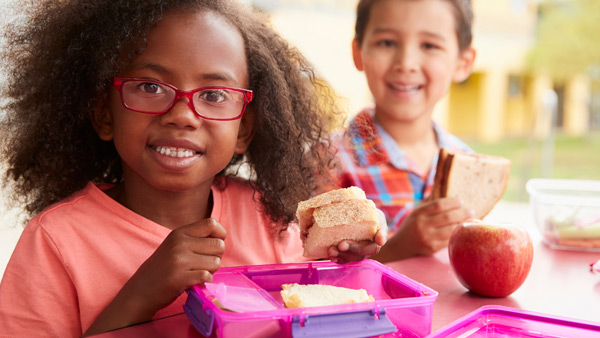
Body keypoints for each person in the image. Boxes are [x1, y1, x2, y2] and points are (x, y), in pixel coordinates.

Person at [0, 0, 386, 336]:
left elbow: (314, 316)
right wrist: (141, 297)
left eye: (214, 95)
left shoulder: (264, 217)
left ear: (244, 129)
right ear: (104, 114)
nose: (182, 115)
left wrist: (346, 267)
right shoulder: (54, 241)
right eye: (150, 87)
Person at [330, 0, 477, 262]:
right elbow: (314, 273)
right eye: (387, 42)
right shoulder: (327, 161)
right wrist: (400, 247)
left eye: (429, 45)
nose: (406, 63)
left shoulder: (469, 164)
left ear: (463, 62)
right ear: (358, 52)